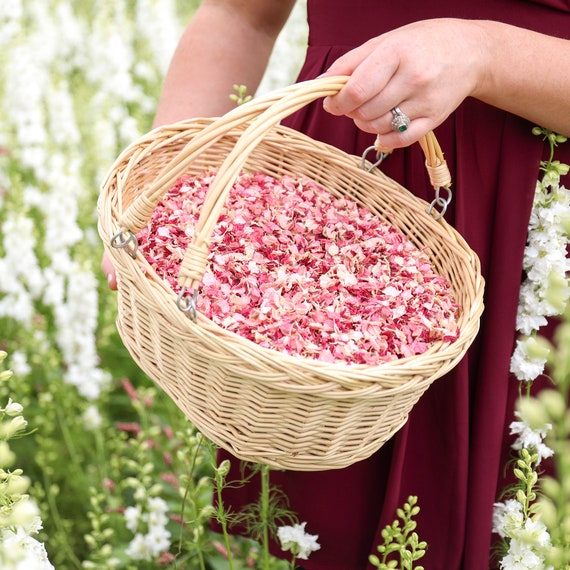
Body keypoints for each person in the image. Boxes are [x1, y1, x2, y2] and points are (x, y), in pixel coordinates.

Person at [101, 1, 570, 568]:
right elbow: (238, 16)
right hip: (325, 226)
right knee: (321, 526)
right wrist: (168, 192)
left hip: (538, 233)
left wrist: (483, 55)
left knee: (524, 520)